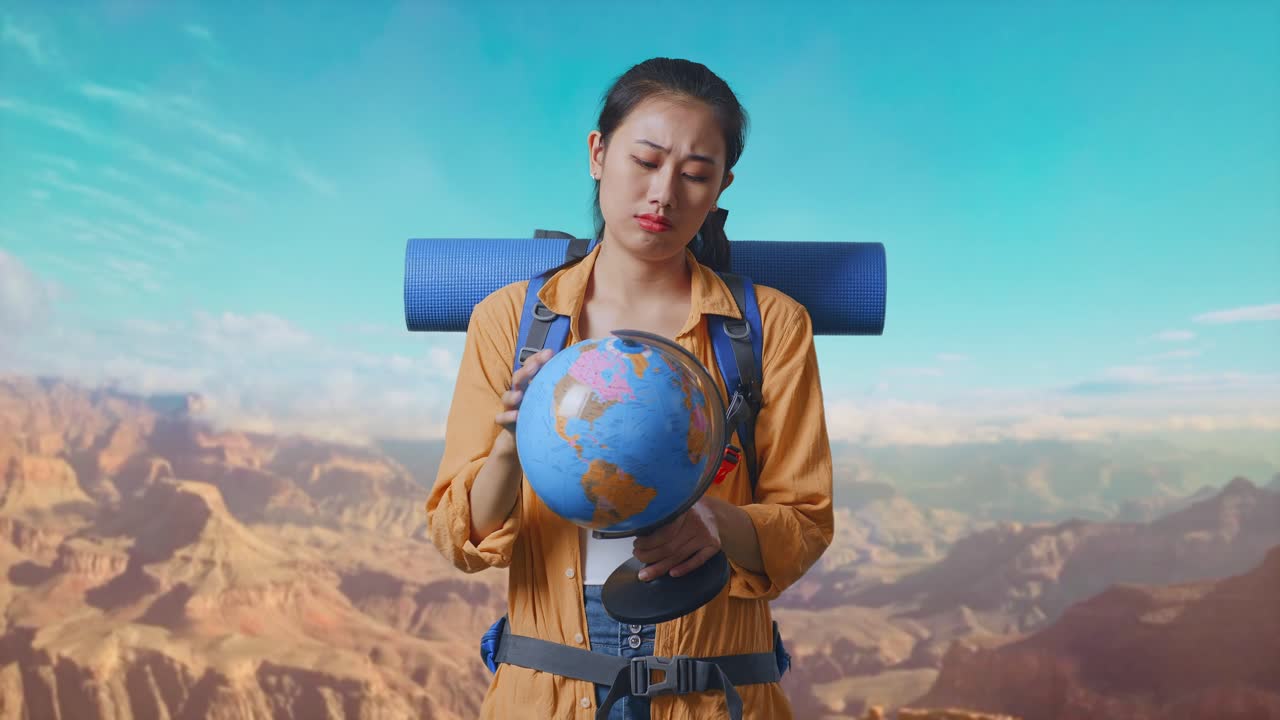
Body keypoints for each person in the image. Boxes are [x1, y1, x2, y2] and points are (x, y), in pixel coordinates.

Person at [426, 57, 834, 720]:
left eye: (696, 174)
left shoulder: (768, 327)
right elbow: (457, 534)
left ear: (721, 185)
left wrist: (717, 523)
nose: (664, 193)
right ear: (598, 152)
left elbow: (805, 524)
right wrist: (510, 446)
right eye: (645, 161)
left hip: (713, 695)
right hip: (548, 694)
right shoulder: (512, 322)